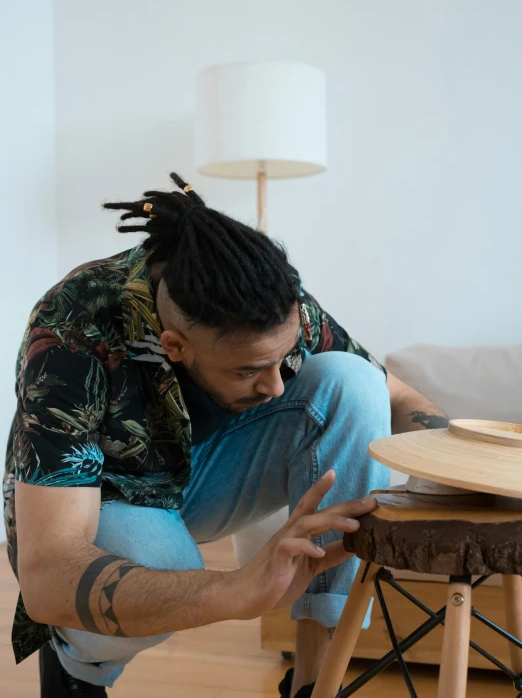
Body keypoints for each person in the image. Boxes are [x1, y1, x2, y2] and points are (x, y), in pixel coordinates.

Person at [3, 173, 448, 698]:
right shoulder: (73, 329)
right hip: (101, 502)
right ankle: (78, 665)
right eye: (248, 371)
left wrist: (460, 456)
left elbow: (394, 393)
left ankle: (314, 682)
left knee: (354, 382)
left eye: (283, 360)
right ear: (174, 345)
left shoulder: (270, 303)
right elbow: (48, 573)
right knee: (163, 565)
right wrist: (235, 590)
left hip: (204, 476)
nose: (277, 384)